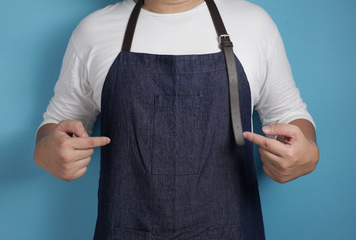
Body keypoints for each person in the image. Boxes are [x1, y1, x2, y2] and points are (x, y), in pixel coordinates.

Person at [34, 0, 319, 239]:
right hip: (126, 228)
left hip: (232, 228)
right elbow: (59, 120)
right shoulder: (94, 31)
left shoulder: (253, 24)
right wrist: (47, 148)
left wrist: (305, 149)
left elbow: (289, 112)